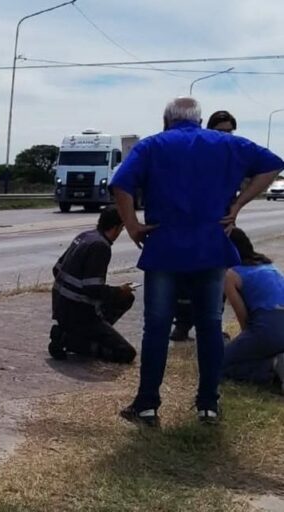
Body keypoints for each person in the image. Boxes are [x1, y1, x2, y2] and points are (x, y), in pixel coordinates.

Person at [111, 97, 283, 427]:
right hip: (211, 248)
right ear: (200, 120)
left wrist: (131, 224)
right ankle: (208, 405)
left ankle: (147, 405)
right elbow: (273, 165)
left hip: (164, 248)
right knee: (209, 326)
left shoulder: (152, 146)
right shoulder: (225, 144)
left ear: (166, 120)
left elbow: (121, 183)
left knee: (157, 328)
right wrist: (237, 207)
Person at [171, 110, 240, 342]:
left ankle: (211, 326)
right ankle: (182, 325)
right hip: (193, 227)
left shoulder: (232, 155)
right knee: (185, 280)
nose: (227, 136)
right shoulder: (197, 153)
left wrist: (235, 209)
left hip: (219, 229)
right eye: (221, 131)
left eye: (230, 131)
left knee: (217, 280)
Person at [49, 206, 137, 364]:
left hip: (61, 306)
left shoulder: (85, 236)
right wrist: (118, 290)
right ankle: (71, 340)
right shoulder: (101, 247)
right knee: (126, 353)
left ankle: (81, 333)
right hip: (78, 313)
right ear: (117, 227)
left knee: (126, 298)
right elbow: (92, 290)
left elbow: (56, 269)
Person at [221, 228, 284, 393]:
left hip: (269, 326)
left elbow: (243, 318)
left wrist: (244, 343)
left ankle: (271, 367)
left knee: (218, 364)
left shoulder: (230, 275)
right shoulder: (268, 264)